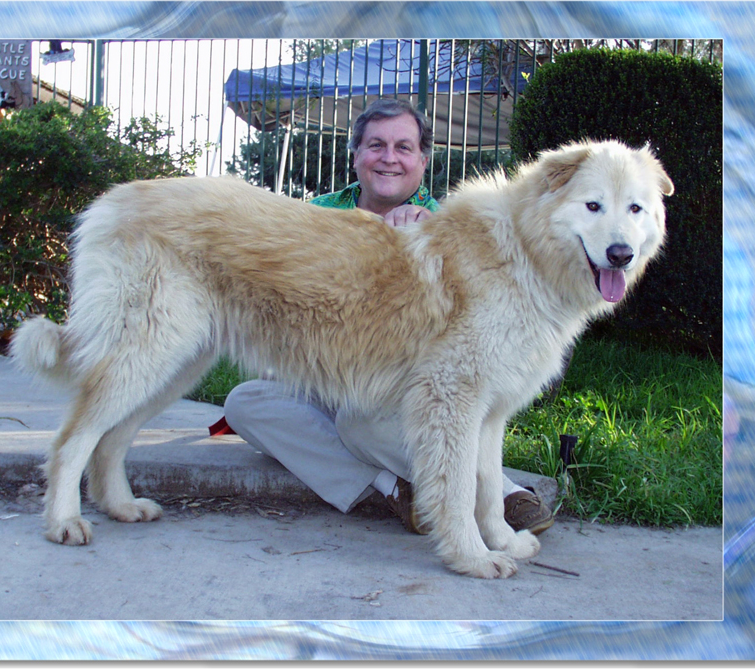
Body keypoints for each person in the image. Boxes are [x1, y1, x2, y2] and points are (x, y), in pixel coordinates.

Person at [222, 98, 554, 536]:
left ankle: (503, 495)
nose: (389, 158)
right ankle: (393, 488)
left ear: (422, 159)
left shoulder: (446, 227)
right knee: (246, 403)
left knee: (360, 425)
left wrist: (418, 239)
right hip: (328, 375)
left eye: (403, 147)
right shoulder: (315, 217)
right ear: (356, 154)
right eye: (376, 145)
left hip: (404, 389)